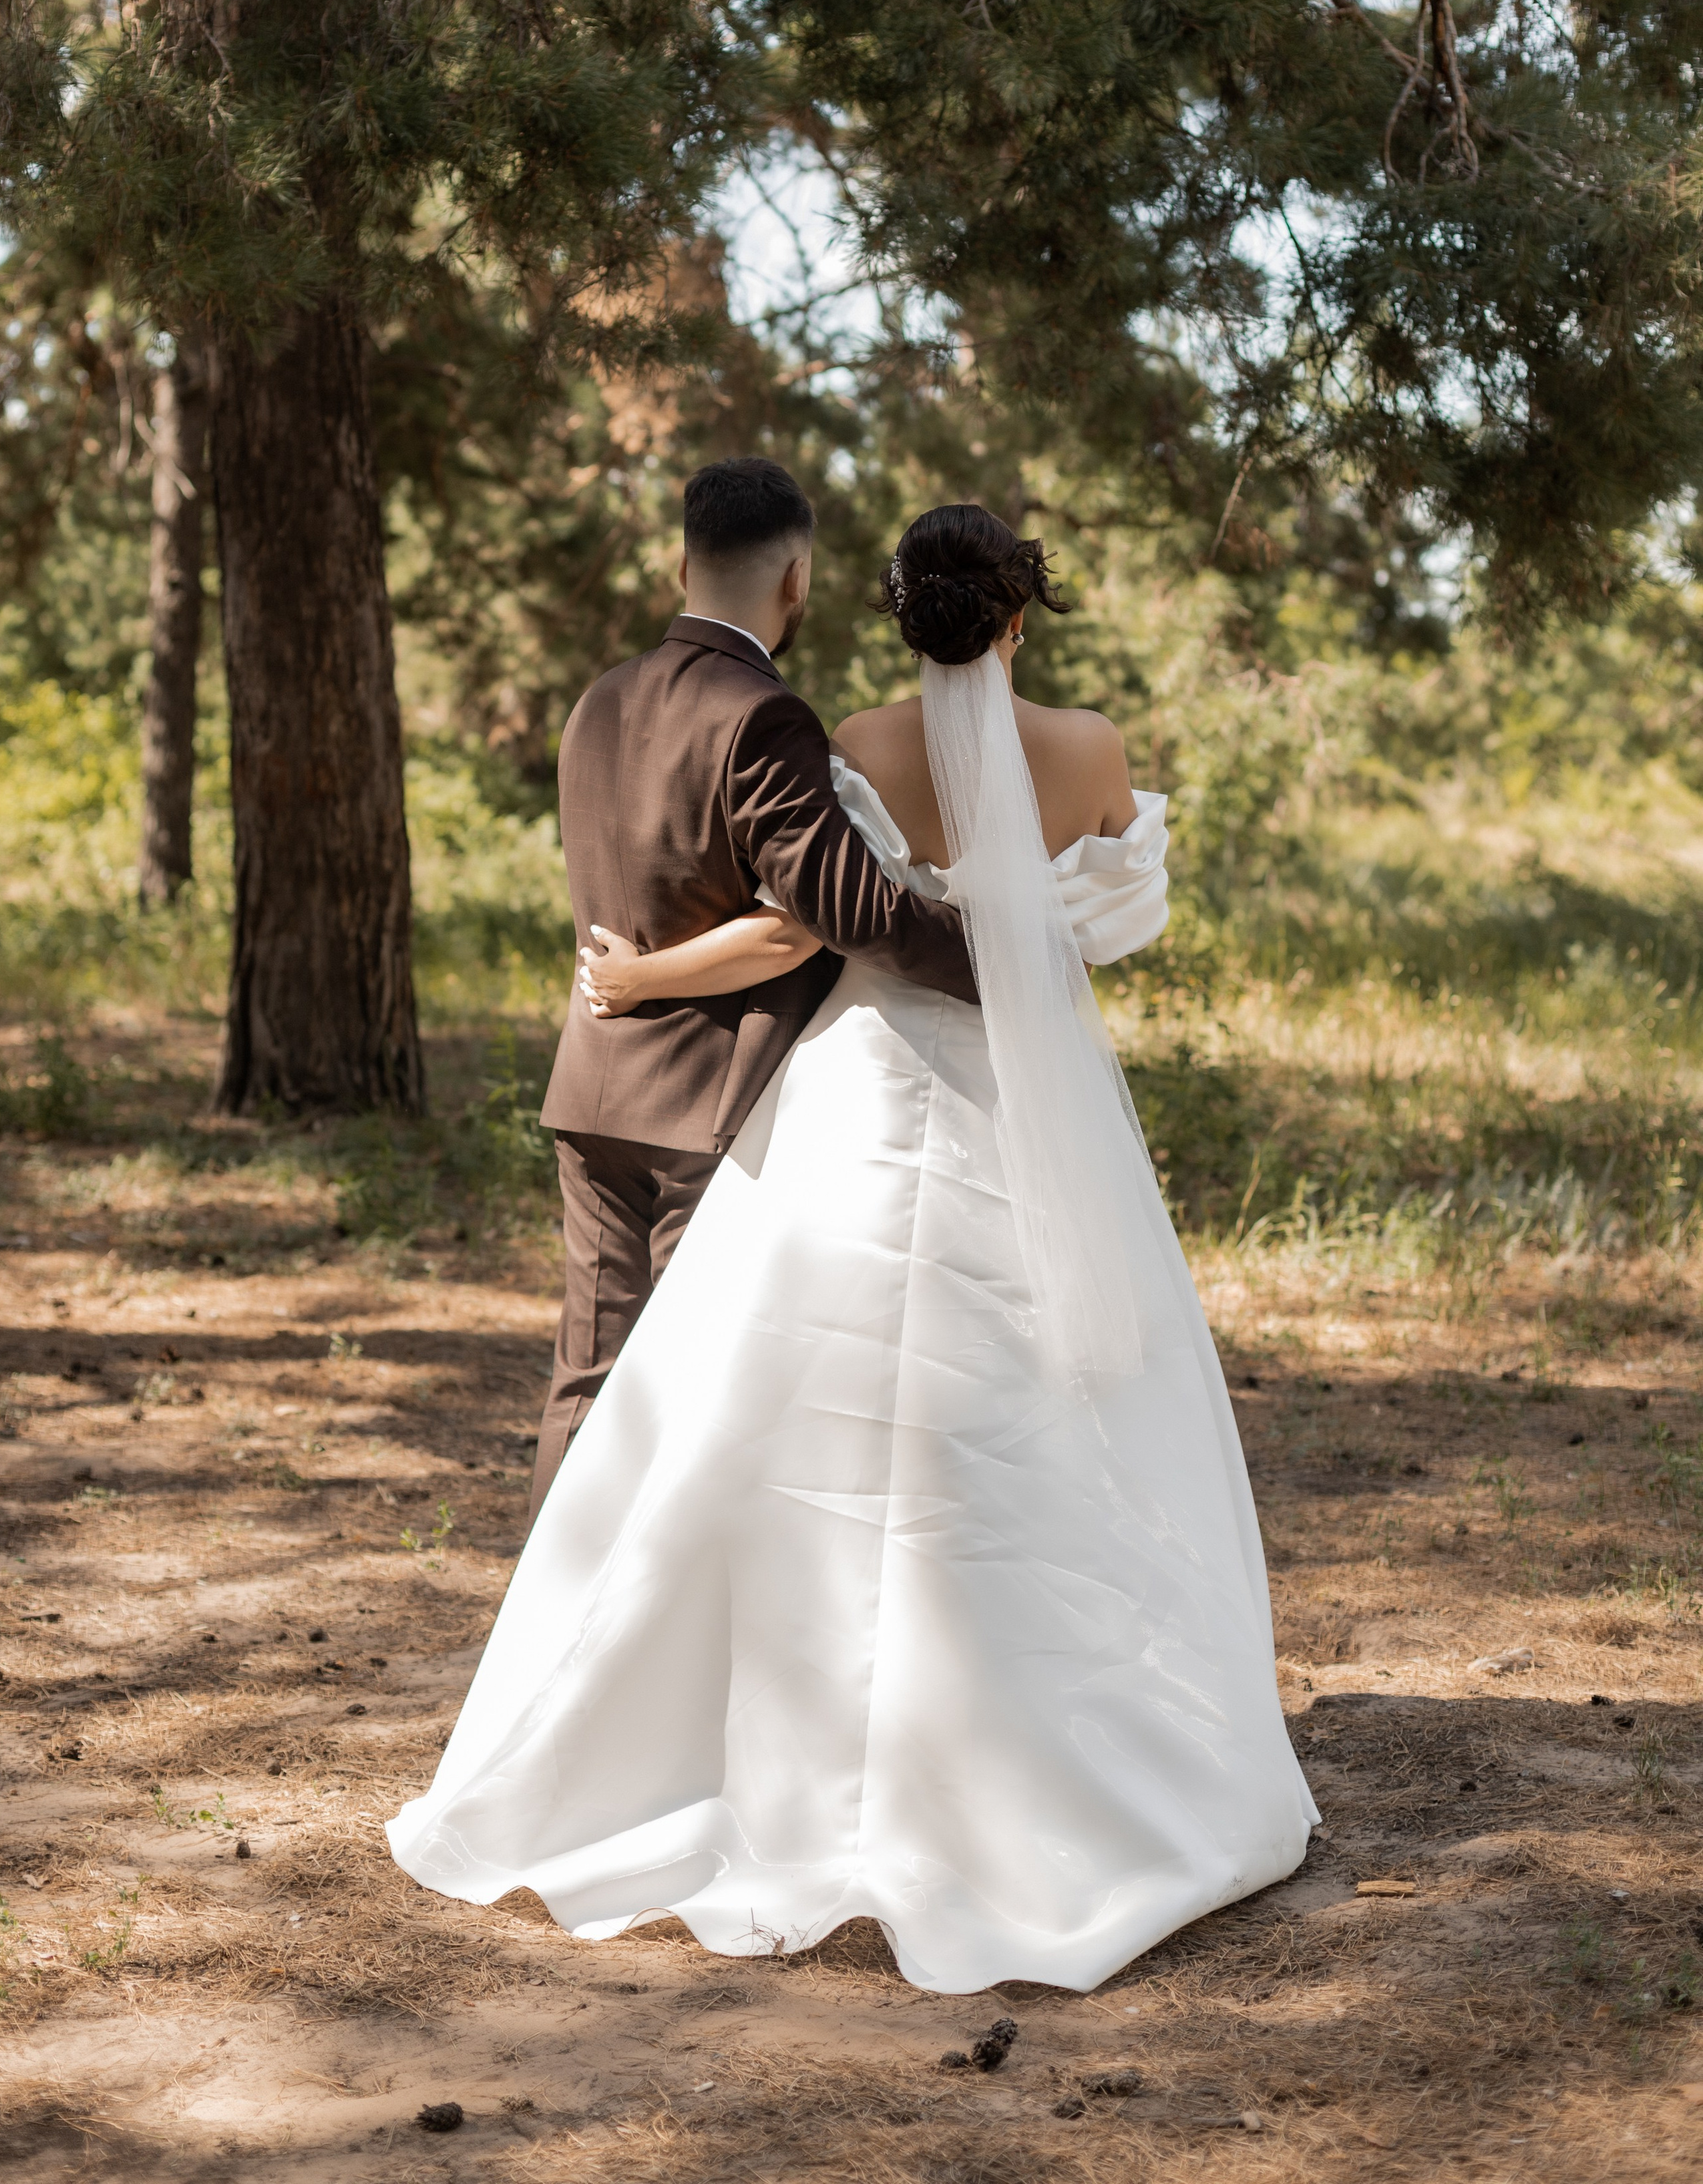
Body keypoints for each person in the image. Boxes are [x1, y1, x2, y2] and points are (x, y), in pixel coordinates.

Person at [389, 503, 1316, 1995]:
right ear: (1019, 617)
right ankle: (1046, 1758)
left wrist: (637, 979)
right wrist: (1023, 946)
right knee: (1049, 1403)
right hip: (1035, 1090)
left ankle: (723, 1735)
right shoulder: (1087, 749)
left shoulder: (855, 747)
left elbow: (799, 924)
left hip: (866, 1078)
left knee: (761, 1388)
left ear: (897, 615)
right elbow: (1118, 920)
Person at [526, 456, 976, 1517]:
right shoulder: (764, 716)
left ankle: (548, 1649)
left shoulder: (600, 700)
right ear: (797, 580)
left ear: (684, 561)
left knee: (587, 1380)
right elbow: (843, 909)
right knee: (697, 1384)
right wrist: (1000, 966)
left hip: (593, 1091)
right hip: (708, 1107)